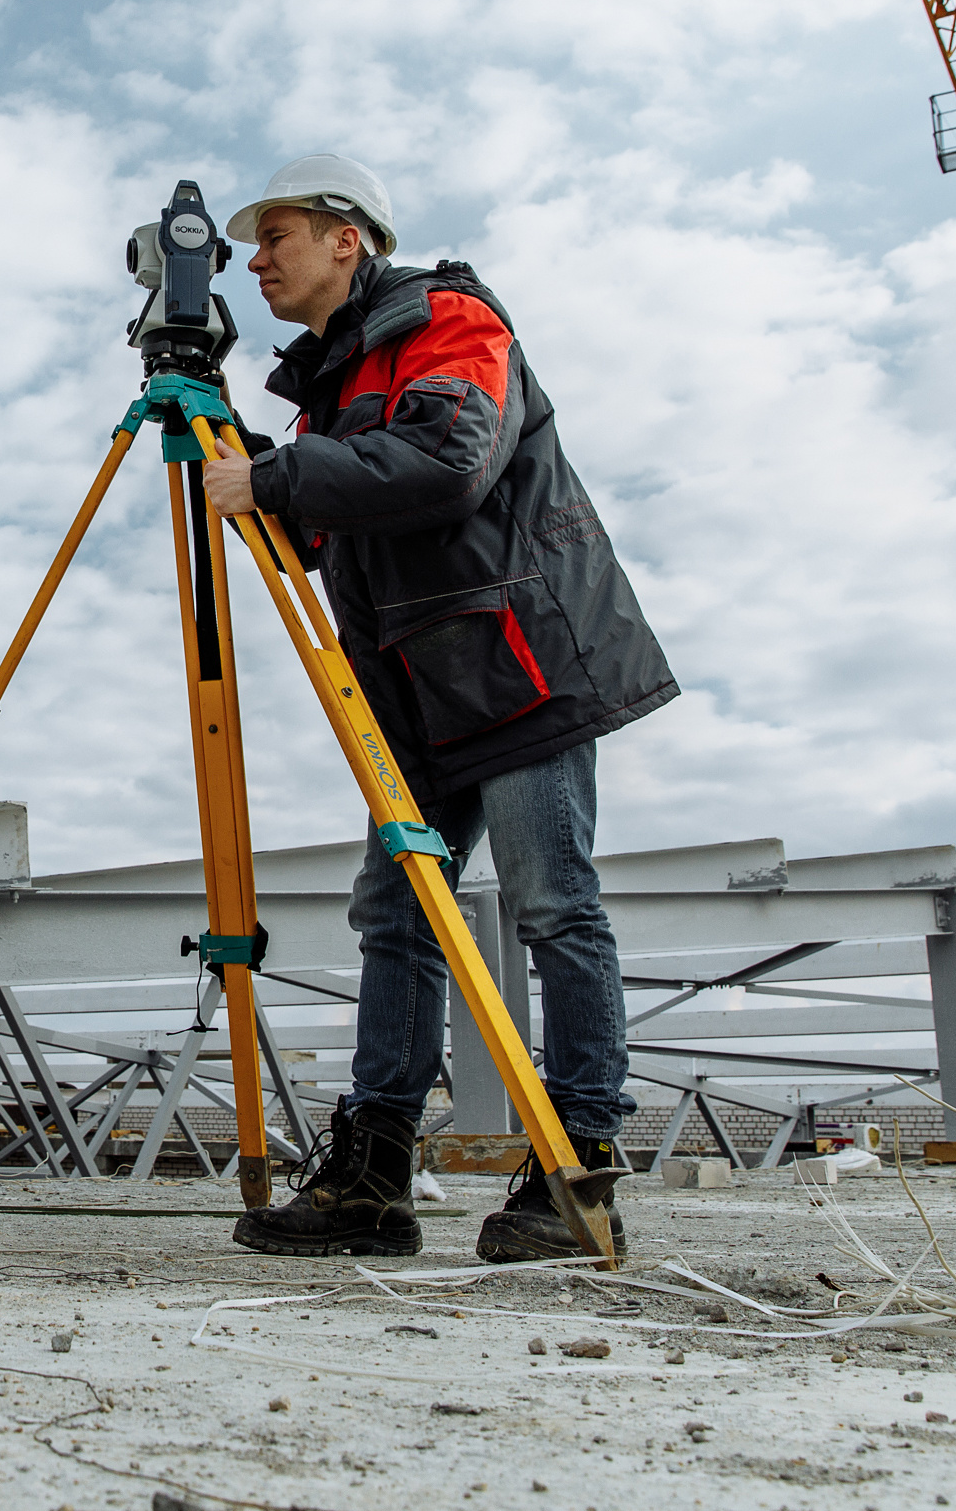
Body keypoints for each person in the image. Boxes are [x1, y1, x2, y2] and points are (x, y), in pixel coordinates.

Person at [200, 154, 676, 1262]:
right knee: (395, 916)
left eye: (276, 236)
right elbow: (322, 536)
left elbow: (447, 460)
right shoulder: (328, 379)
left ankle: (577, 1175)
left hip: (518, 664)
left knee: (554, 904)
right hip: (417, 690)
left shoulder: (449, 316)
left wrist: (274, 478)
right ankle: (372, 1180)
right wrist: (237, 446)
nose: (256, 259)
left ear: (345, 239)